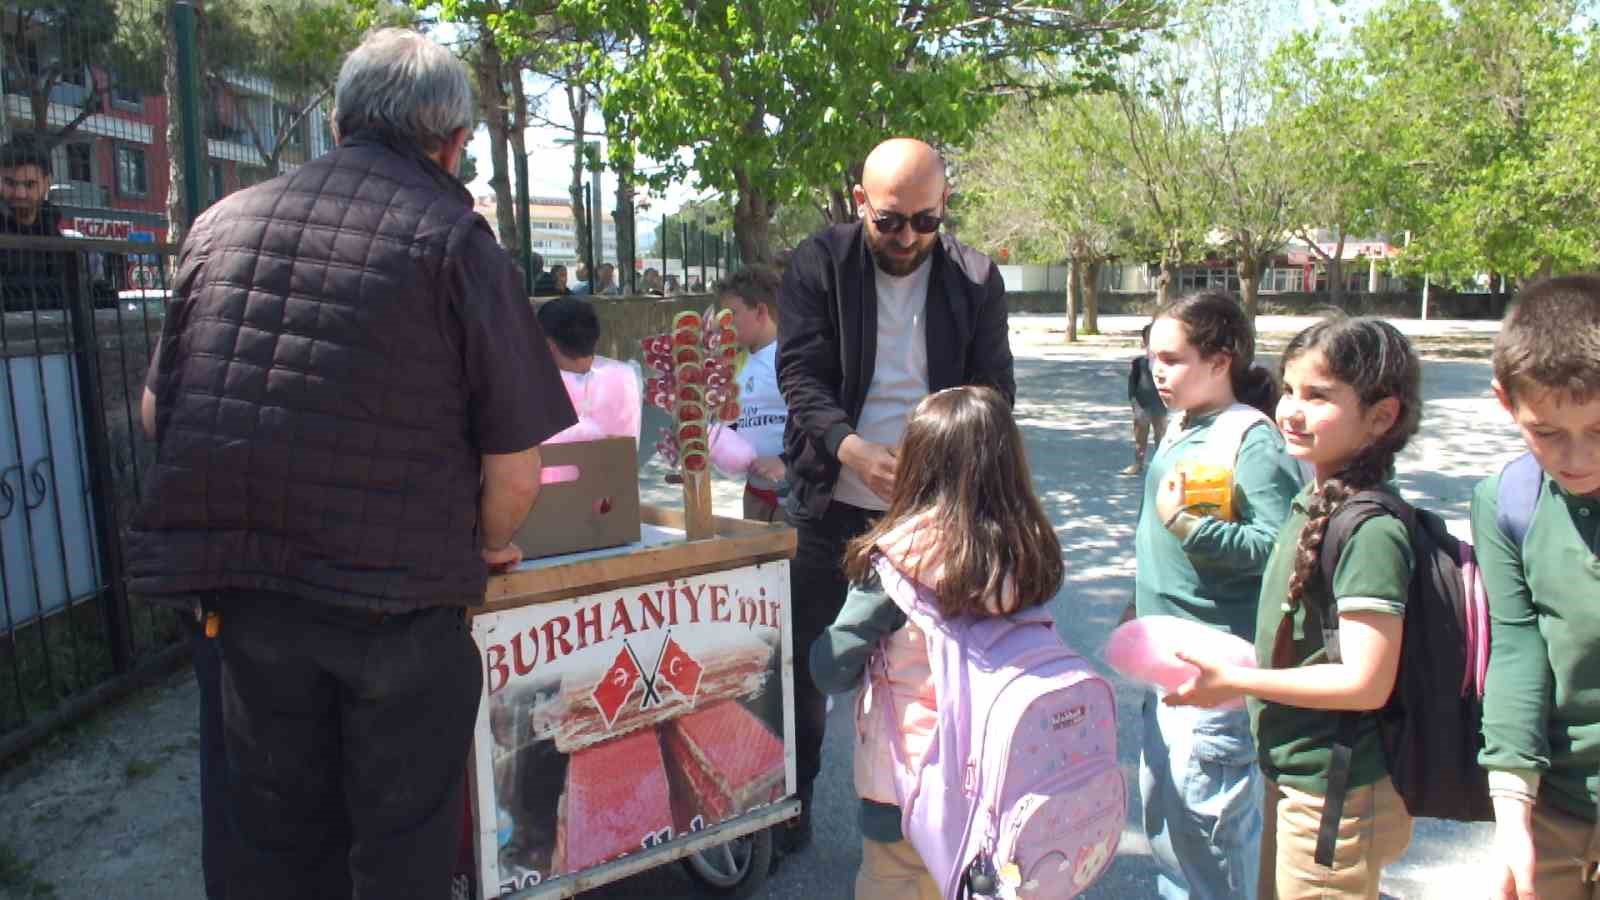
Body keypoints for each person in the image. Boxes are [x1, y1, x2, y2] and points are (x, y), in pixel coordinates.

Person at [128, 28, 575, 899]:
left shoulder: (220, 225)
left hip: (248, 605)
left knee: (269, 846)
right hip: (397, 616)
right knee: (398, 856)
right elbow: (516, 472)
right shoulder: (457, 240)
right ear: (451, 144)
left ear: (337, 124)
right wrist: (482, 544)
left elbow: (157, 412)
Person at [776, 136, 1014, 854]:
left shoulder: (975, 278)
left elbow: (994, 391)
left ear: (944, 208)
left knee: (936, 671)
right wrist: (850, 448)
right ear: (860, 204)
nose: (907, 237)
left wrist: (933, 465)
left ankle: (938, 803)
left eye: (925, 221)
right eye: (889, 221)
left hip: (936, 507)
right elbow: (801, 375)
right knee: (809, 661)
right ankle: (798, 794)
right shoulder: (819, 262)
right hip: (832, 498)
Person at [1165, 317, 1423, 899]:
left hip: (1336, 793)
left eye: (1317, 396)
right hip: (1302, 778)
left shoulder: (1371, 529)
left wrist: (1236, 680)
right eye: (1288, 390)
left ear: (1381, 416)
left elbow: (1365, 682)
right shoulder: (1316, 496)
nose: (1290, 410)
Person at [810, 385, 1063, 900]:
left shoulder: (900, 557)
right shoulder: (1028, 548)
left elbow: (832, 668)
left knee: (895, 879)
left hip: (907, 784)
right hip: (1000, 777)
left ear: (919, 464)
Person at [1133, 290, 1302, 900]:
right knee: (1168, 826)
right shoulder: (1184, 422)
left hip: (1217, 677)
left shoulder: (1250, 439)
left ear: (1220, 360)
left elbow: (1281, 553)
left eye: (1172, 359)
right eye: (1152, 356)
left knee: (1211, 838)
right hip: (1168, 666)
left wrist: (1190, 529)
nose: (1157, 371)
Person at [1469, 276, 1600, 900]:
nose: (1576, 457)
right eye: (1546, 431)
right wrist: (1513, 813)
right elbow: (1518, 651)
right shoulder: (1508, 501)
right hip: (1556, 809)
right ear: (1505, 402)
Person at [717, 265, 788, 522]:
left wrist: (785, 461)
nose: (724, 323)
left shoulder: (791, 357)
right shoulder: (733, 364)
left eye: (732, 314)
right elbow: (730, 427)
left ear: (760, 311)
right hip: (754, 496)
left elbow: (814, 420)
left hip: (793, 498)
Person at [0, 135, 73, 312]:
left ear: (46, 183)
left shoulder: (57, 240)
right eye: (9, 183)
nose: (20, 193)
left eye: (29, 184)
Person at [1124, 322, 1169, 475]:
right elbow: (1132, 385)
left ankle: (1160, 465)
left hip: (1160, 405)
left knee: (1161, 437)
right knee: (1140, 437)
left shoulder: (1166, 362)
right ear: (1144, 341)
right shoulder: (1139, 363)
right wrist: (1134, 403)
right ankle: (1138, 463)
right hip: (1142, 405)